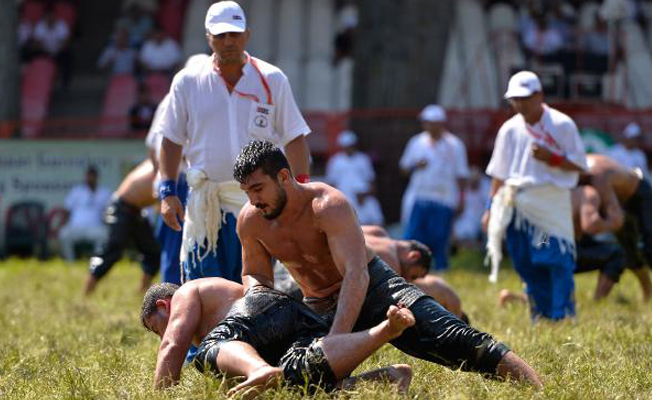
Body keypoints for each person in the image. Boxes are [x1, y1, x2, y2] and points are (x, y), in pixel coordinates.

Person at [234, 140, 542, 387]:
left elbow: (356, 276)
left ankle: (538, 388)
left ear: (284, 177)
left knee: (454, 339)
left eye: (258, 189)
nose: (253, 200)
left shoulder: (327, 205)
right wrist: (261, 303)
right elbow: (255, 275)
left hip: (374, 286)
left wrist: (335, 342)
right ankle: (388, 379)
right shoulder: (251, 221)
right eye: (247, 192)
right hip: (315, 304)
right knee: (293, 376)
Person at [158, 1, 311, 283]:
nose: (228, 41)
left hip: (260, 204)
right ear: (208, 37)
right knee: (204, 286)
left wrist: (300, 189)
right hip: (207, 201)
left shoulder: (272, 79)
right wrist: (167, 191)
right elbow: (170, 140)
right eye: (220, 35)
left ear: (247, 35)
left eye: (234, 34)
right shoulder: (187, 81)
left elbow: (295, 137)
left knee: (258, 285)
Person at [141, 279, 414, 395]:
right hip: (292, 321)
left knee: (208, 351)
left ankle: (259, 370)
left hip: (262, 309)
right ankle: (387, 356)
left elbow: (172, 344)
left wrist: (159, 396)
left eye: (157, 328)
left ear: (164, 305)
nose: (161, 336)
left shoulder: (185, 293)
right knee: (302, 385)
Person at [483, 71, 587, 321]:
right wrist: (490, 209)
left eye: (525, 98)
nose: (520, 104)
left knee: (553, 259)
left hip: (548, 204)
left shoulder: (562, 124)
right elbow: (499, 172)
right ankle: (539, 314)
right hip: (516, 203)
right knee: (525, 262)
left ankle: (562, 314)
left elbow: (580, 164)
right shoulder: (509, 129)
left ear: (539, 95)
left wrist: (551, 158)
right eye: (514, 99)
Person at [499, 183, 626, 306]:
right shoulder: (585, 192)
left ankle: (520, 297)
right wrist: (614, 222)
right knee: (616, 253)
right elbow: (589, 225)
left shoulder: (548, 193)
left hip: (538, 249)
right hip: (562, 250)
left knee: (545, 296)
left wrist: (540, 250)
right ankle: (598, 301)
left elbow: (544, 232)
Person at [399, 104, 469, 271]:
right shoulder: (416, 142)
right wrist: (416, 166)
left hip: (443, 198)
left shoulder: (455, 145)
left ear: (441, 123)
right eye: (426, 122)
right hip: (419, 196)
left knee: (439, 237)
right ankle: (410, 269)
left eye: (433, 122)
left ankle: (440, 269)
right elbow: (403, 169)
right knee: (414, 237)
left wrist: (461, 199)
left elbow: (461, 176)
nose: (429, 126)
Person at [83, 159, 160, 295]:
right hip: (121, 207)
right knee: (113, 248)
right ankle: (88, 289)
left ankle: (143, 291)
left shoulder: (170, 162)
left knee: (152, 251)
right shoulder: (165, 161)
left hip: (137, 210)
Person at [583, 153, 652, 300]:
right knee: (628, 252)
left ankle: (598, 301)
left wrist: (592, 224)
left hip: (638, 194)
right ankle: (648, 292)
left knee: (647, 248)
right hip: (551, 246)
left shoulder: (595, 177)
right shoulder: (566, 186)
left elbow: (615, 220)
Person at [325, 130, 384, 225]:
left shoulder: (363, 159)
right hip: (343, 202)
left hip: (363, 199)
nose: (349, 149)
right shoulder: (335, 161)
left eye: (350, 146)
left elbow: (372, 182)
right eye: (346, 146)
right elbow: (331, 185)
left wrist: (364, 194)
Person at [58, 166, 111, 262]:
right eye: (88, 176)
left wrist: (108, 223)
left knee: (104, 235)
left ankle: (96, 263)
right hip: (76, 227)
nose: (90, 178)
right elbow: (66, 210)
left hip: (95, 227)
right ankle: (70, 262)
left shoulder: (104, 193)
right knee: (64, 234)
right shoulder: (76, 191)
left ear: (97, 177)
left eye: (92, 176)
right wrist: (63, 224)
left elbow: (109, 212)